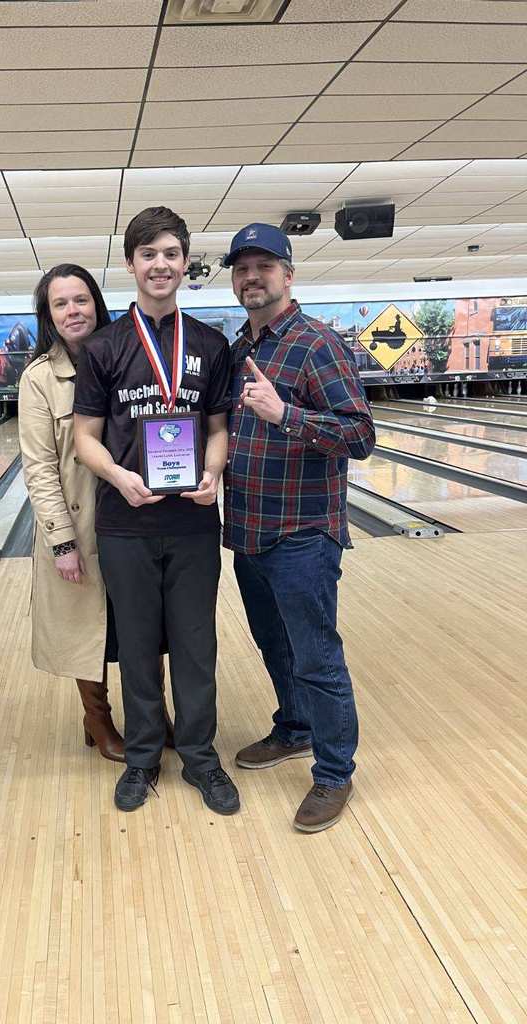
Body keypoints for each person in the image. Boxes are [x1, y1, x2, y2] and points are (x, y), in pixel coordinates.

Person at [73, 207, 240, 815]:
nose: (160, 265)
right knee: (138, 646)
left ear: (185, 262)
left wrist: (214, 471)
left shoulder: (210, 343)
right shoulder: (103, 347)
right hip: (125, 522)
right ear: (131, 264)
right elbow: (84, 437)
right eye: (149, 255)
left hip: (193, 521)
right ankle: (143, 759)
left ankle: (201, 757)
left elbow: (218, 427)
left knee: (196, 646)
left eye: (171, 253)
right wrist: (120, 477)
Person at [222, 223, 375, 833]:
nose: (251, 277)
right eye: (241, 269)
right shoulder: (239, 349)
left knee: (316, 656)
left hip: (303, 534)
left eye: (264, 266)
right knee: (275, 645)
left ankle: (334, 773)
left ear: (289, 274)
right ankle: (295, 729)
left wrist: (286, 413)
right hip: (250, 532)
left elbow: (360, 436)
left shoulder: (318, 345)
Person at [18, 264, 172, 763]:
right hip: (81, 526)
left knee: (146, 623)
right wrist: (61, 541)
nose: (72, 311)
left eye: (80, 300)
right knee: (91, 628)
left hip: (135, 517)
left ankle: (153, 715)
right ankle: (97, 719)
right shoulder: (40, 379)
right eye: (60, 304)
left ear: (96, 304)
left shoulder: (128, 357)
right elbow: (39, 467)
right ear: (48, 315)